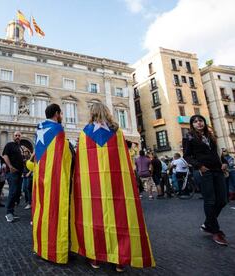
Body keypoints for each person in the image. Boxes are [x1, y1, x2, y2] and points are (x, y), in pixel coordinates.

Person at [71, 102, 155, 271]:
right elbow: (125, 160)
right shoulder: (117, 133)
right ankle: (119, 260)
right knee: (119, 219)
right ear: (107, 113)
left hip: (92, 187)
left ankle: (95, 257)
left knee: (94, 219)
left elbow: (80, 164)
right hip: (117, 185)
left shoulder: (84, 134)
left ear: (92, 114)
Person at [26, 103, 73, 264]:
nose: (61, 116)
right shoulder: (58, 130)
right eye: (60, 113)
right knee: (56, 212)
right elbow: (63, 157)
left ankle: (41, 247)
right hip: (55, 178)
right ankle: (55, 251)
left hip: (39, 176)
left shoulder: (39, 128)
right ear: (56, 114)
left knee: (41, 210)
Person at [183, 114, 229, 246]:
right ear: (192, 124)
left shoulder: (210, 135)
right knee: (210, 201)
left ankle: (208, 224)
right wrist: (199, 166)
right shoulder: (189, 136)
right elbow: (187, 156)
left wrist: (224, 162)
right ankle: (215, 231)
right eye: (195, 121)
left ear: (204, 122)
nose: (199, 123)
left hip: (218, 170)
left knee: (222, 200)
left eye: (200, 120)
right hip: (204, 171)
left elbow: (218, 152)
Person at [3, 131, 24, 223]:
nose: (17, 137)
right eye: (16, 135)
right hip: (12, 172)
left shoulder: (20, 147)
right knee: (12, 191)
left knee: (17, 192)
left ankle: (11, 211)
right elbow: (5, 156)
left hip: (19, 173)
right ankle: (8, 213)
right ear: (13, 137)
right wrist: (10, 166)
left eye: (19, 135)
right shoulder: (9, 145)